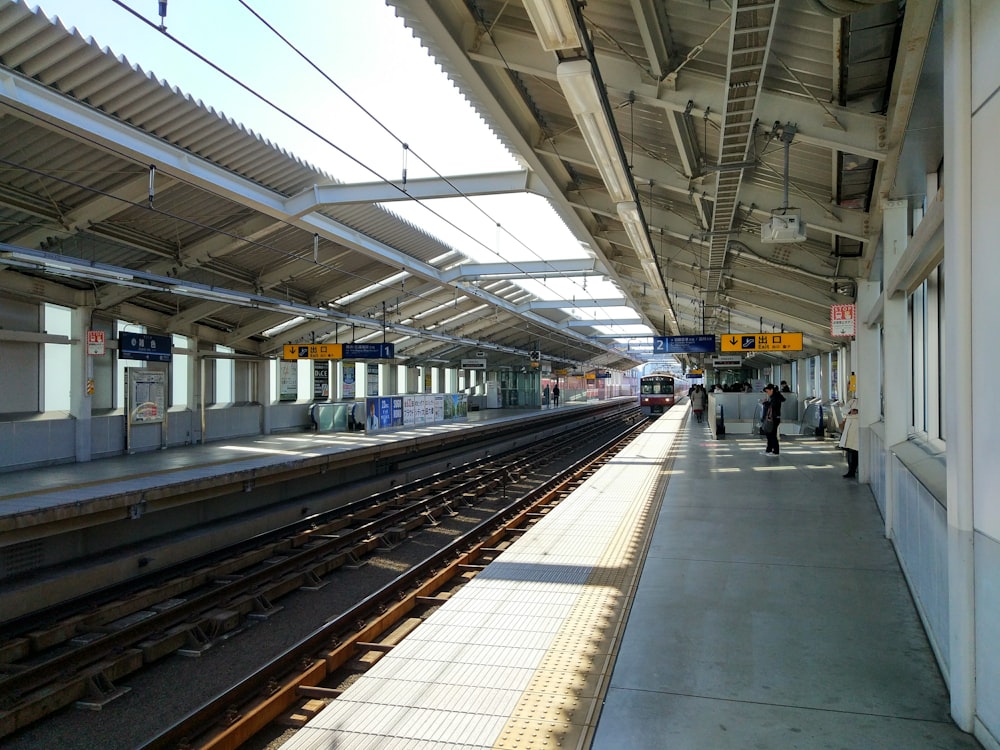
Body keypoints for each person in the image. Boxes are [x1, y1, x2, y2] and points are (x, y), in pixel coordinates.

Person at [760, 383, 786, 456]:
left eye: (767, 391)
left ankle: (775, 451)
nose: (767, 393)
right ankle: (769, 450)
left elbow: (772, 406)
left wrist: (765, 403)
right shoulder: (773, 397)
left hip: (774, 418)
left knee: (772, 434)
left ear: (772, 390)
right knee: (769, 434)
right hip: (773, 418)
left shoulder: (776, 397)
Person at [839, 398, 859, 478]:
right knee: (849, 450)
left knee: (854, 451)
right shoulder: (853, 401)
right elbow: (844, 409)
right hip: (849, 428)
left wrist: (849, 414)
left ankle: (853, 470)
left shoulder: (865, 401)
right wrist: (850, 412)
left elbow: (859, 414)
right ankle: (850, 471)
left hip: (856, 429)